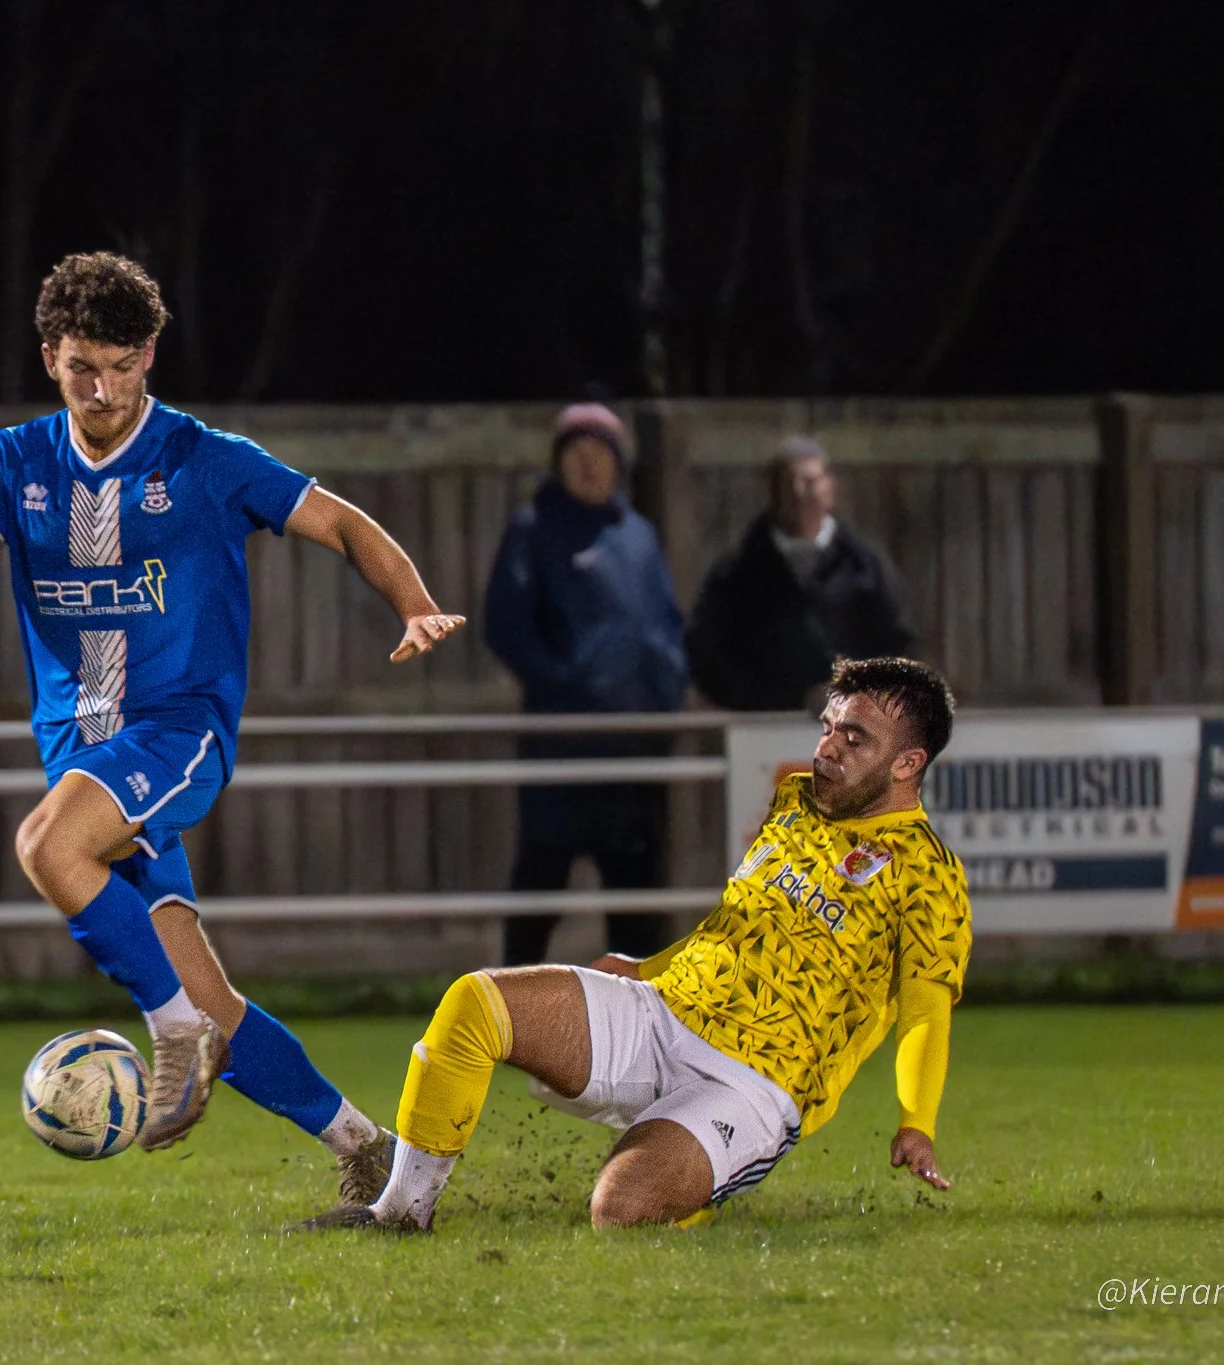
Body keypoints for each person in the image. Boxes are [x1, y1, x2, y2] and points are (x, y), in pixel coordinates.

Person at [0, 252, 464, 1199]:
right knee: (211, 995)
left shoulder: (205, 460)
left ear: (150, 356)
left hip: (179, 733)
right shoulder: (10, 462)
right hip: (84, 757)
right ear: (51, 357)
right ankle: (369, 1150)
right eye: (83, 366)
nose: (102, 388)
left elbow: (341, 524)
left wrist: (414, 603)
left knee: (47, 845)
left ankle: (171, 1034)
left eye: (122, 365)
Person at [295, 656, 969, 1232]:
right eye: (828, 727)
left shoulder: (928, 872)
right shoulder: (794, 801)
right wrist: (648, 967)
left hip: (755, 1083)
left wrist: (917, 1119)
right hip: (664, 1010)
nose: (828, 748)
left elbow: (926, 1009)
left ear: (909, 761)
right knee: (475, 1004)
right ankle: (401, 1214)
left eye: (856, 738)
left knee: (619, 1209)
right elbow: (746, 919)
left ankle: (695, 1170)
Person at [483, 403, 687, 965]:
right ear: (558, 463)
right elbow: (506, 624)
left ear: (619, 464)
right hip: (563, 744)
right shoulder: (534, 529)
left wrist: (669, 693)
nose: (590, 466)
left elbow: (664, 624)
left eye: (601, 455)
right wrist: (565, 683)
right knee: (541, 884)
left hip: (634, 748)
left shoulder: (639, 536)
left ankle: (639, 1026)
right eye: (578, 454)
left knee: (637, 896)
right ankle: (507, 1014)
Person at [686, 436, 916, 712]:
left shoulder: (865, 567)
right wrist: (768, 701)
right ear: (772, 492)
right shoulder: (737, 573)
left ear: (830, 489)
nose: (798, 492)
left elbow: (898, 642)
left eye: (809, 482)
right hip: (764, 735)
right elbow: (708, 654)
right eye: (788, 483)